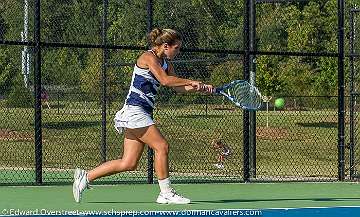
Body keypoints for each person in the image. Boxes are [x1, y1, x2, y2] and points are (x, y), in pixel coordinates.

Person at [72, 28, 213, 204]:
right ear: (166, 46)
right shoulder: (148, 57)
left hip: (140, 112)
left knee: (128, 163)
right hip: (135, 111)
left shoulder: (166, 63)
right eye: (177, 48)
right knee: (162, 146)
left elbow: (176, 87)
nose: (178, 51)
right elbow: (165, 80)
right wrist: (191, 81)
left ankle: (85, 177)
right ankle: (166, 193)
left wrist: (199, 88)